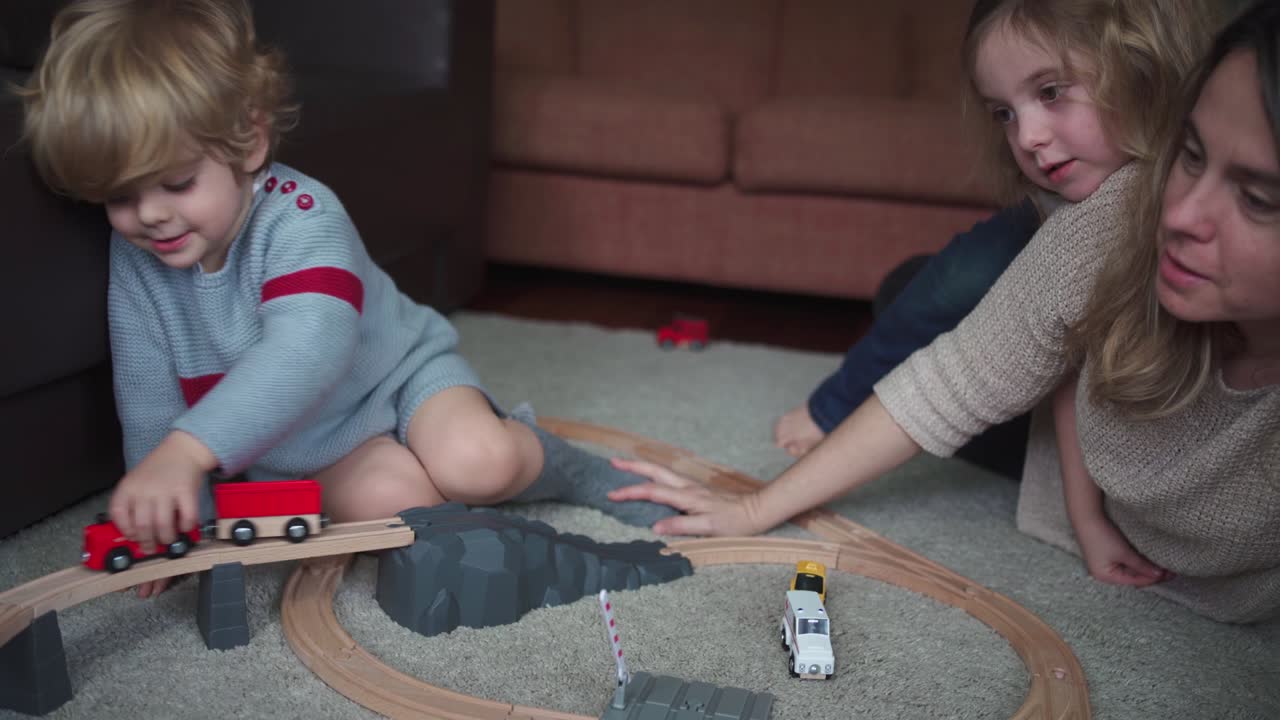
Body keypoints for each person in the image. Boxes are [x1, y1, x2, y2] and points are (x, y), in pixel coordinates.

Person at [611, 0, 1280, 624]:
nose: (1180, 213)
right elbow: (960, 381)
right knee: (920, 296)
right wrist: (758, 505)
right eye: (1187, 156)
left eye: (1257, 198)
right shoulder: (1112, 218)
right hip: (1065, 395)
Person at [18, 0, 672, 597]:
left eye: (177, 182)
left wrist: (187, 452)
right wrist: (162, 503)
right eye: (120, 197)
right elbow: (146, 392)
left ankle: (576, 471)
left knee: (479, 461)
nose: (150, 216)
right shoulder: (137, 257)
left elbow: (305, 354)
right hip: (300, 448)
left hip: (391, 382)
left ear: (251, 141)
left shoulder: (304, 220)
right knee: (406, 505)